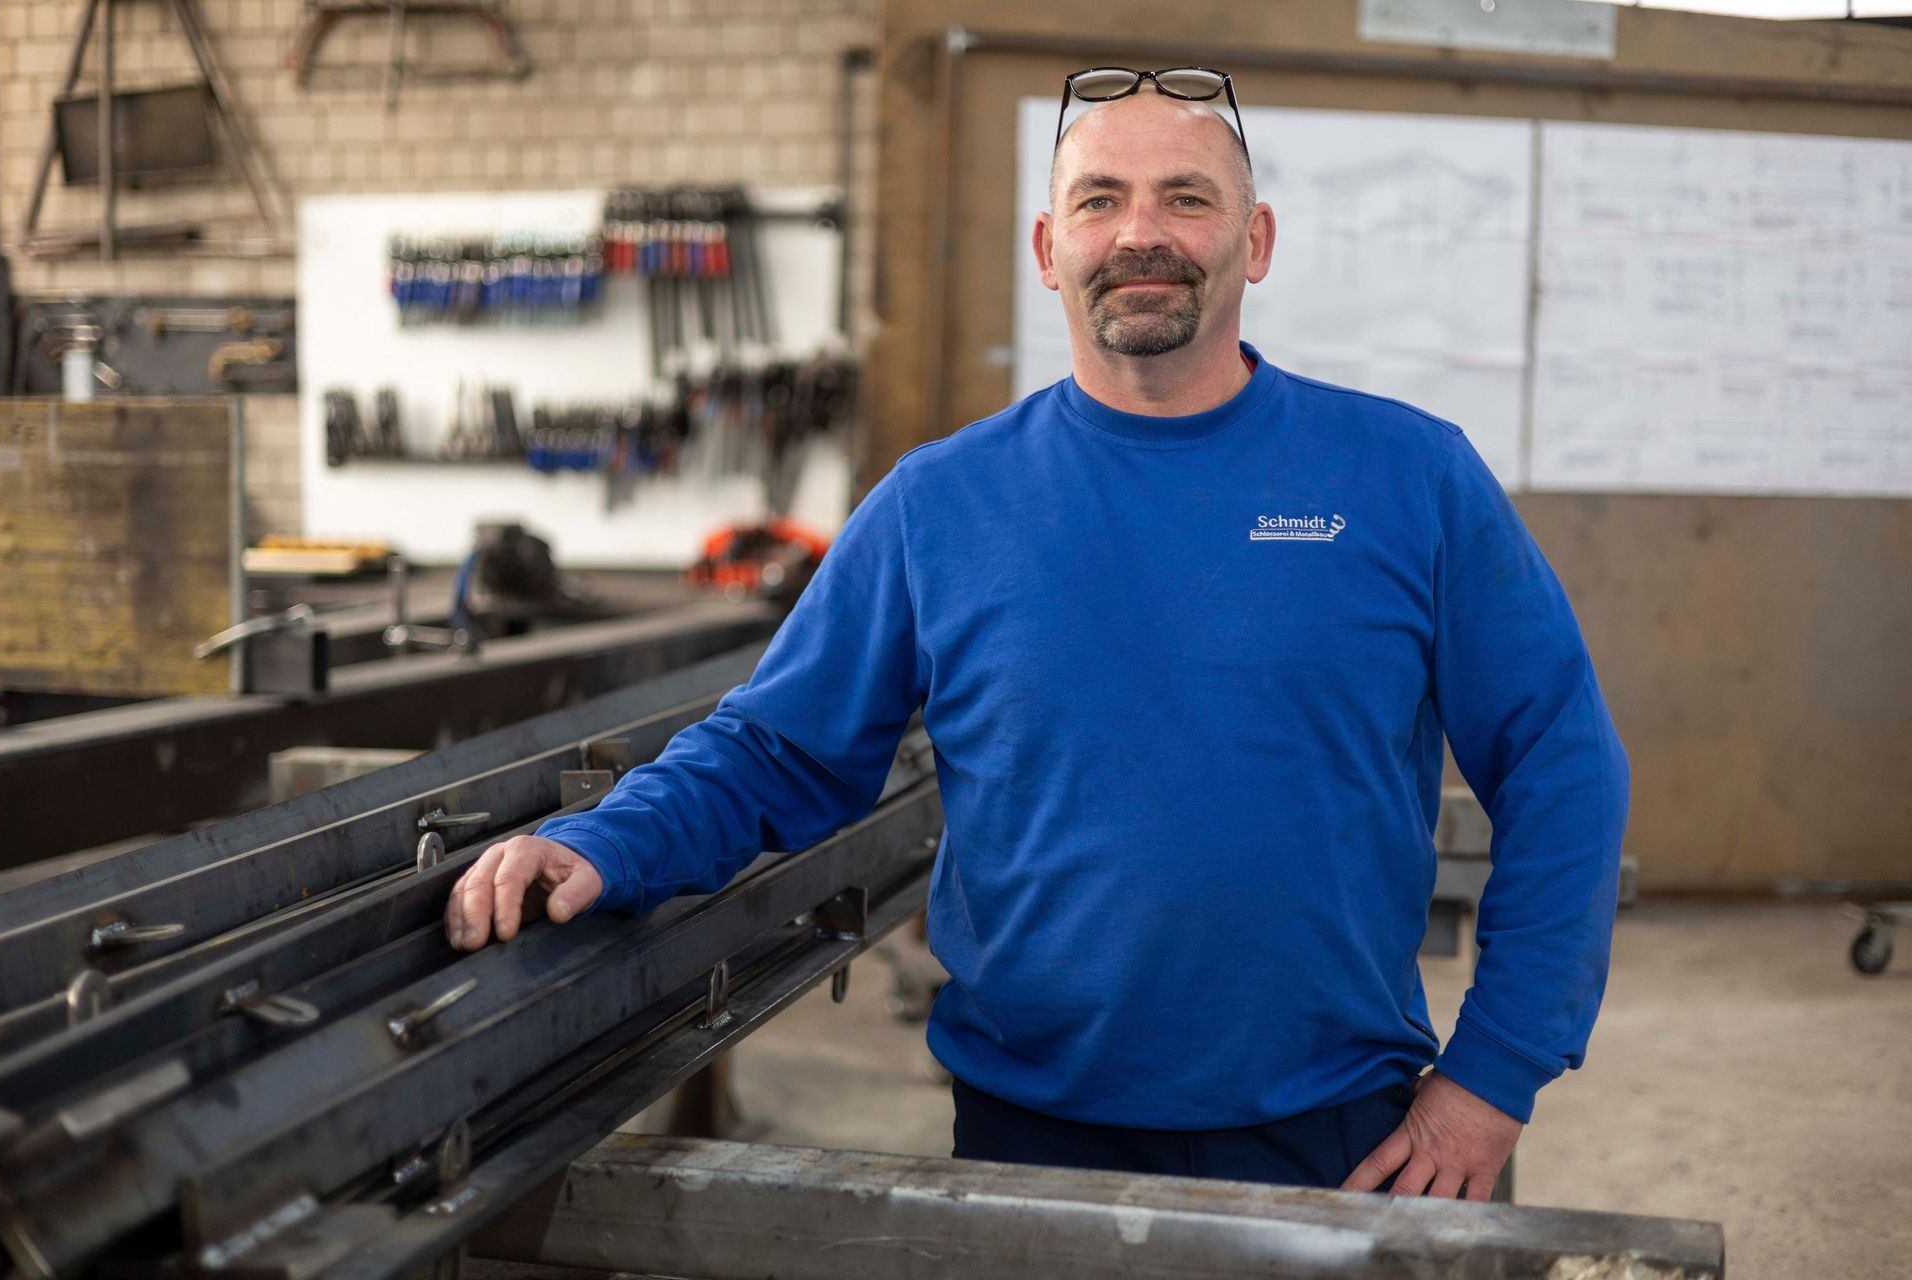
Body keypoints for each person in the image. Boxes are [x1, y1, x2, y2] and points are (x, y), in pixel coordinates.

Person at [445, 73, 1629, 1202]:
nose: (1140, 233)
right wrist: (614, 840)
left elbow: (1560, 759)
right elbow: (780, 748)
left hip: (1335, 1123)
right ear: (1048, 247)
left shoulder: (1408, 477)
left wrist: (1492, 1075)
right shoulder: (938, 503)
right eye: (1100, 200)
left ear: (1255, 242)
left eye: (1187, 197)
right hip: (1027, 1128)